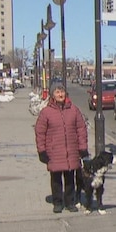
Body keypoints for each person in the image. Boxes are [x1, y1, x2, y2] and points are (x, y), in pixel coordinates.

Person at [35, 82, 89, 213]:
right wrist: (41, 150)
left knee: (70, 179)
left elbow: (81, 129)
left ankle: (70, 202)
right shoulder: (46, 112)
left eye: (62, 92)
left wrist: (82, 147)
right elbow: (40, 132)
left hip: (71, 151)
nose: (60, 94)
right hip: (54, 151)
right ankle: (57, 202)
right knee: (56, 179)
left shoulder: (73, 110)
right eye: (57, 92)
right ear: (53, 95)